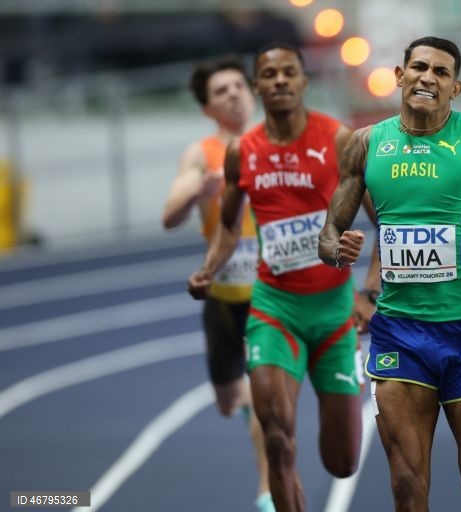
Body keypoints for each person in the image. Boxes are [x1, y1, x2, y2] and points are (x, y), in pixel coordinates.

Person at [319, 36, 461, 511]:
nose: (427, 78)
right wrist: (339, 252)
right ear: (400, 75)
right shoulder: (366, 144)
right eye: (419, 67)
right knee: (406, 485)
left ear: (455, 89)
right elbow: (330, 232)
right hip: (399, 334)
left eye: (441, 73)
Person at [187, 43, 379, 512]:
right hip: (274, 310)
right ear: (259, 86)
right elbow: (231, 224)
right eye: (268, 74)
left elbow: (385, 221)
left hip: (334, 313)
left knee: (342, 462)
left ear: (303, 81)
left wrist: (370, 293)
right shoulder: (242, 152)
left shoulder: (338, 140)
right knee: (276, 437)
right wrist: (209, 268)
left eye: (288, 72)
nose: (278, 81)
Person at [161, 55, 274, 512]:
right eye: (220, 91)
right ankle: (246, 399)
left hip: (271, 295)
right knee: (230, 402)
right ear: (208, 108)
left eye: (237, 87)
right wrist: (197, 192)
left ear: (252, 93)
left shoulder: (276, 142)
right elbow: (169, 216)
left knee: (266, 393)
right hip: (225, 298)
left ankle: (268, 493)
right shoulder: (201, 154)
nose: (232, 94)